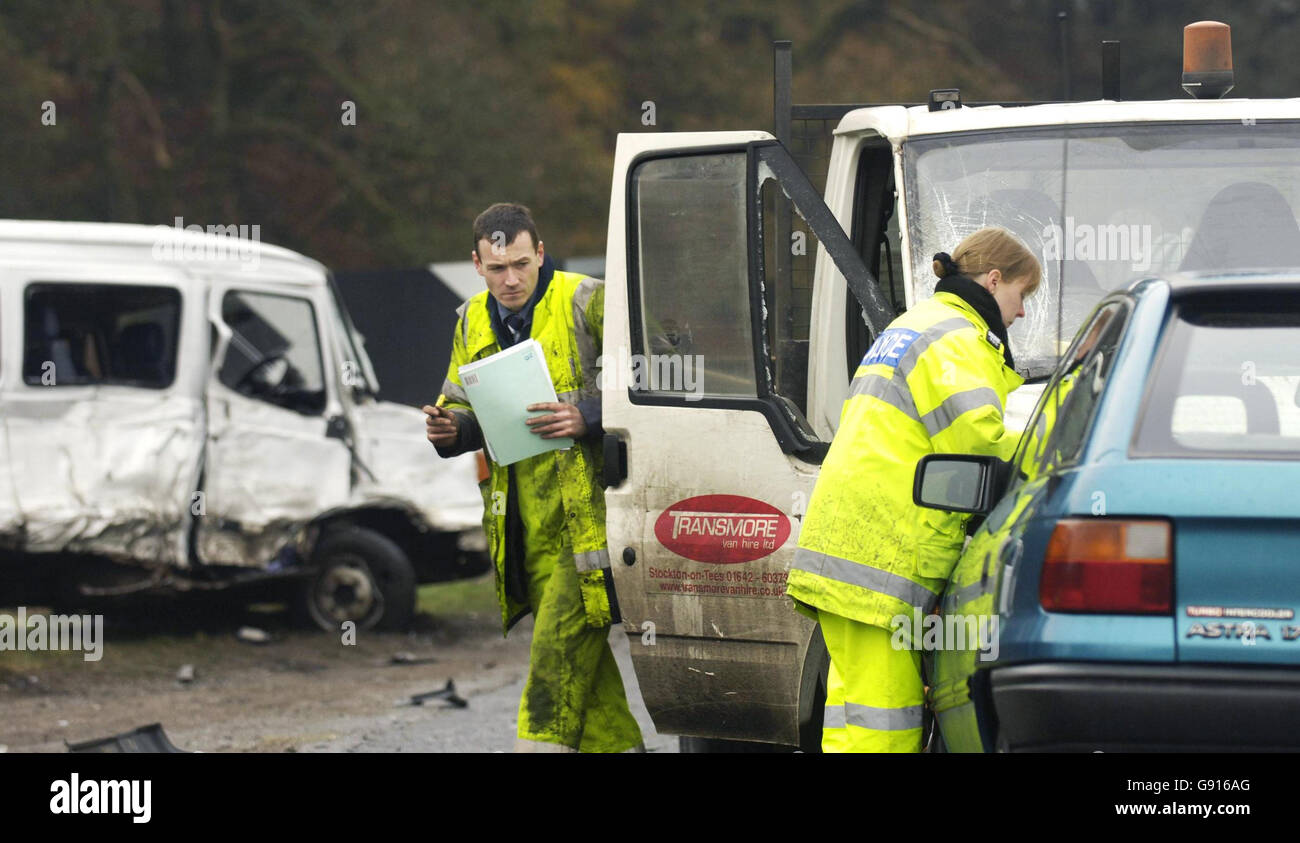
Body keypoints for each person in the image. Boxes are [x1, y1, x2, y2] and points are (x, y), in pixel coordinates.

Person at [785, 227, 1042, 753]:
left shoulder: (922, 325)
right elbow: (981, 442)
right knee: (887, 726)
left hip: (851, 555)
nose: (1020, 313)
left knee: (852, 719)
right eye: (1021, 296)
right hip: (879, 563)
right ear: (994, 281)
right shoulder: (957, 340)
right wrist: (1061, 436)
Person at [424, 202, 643, 752]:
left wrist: (589, 417)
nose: (512, 278)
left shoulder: (585, 300)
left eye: (522, 263)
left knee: (553, 665)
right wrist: (451, 431)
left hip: (587, 528)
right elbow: (462, 406)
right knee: (588, 687)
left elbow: (660, 367)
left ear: (540, 253)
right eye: (497, 269)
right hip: (526, 531)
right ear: (477, 264)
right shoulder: (472, 317)